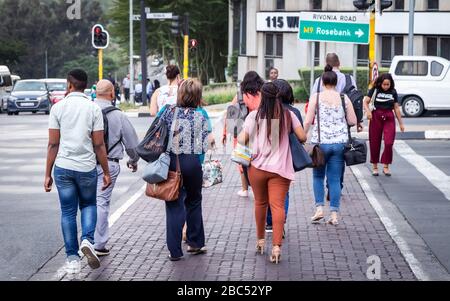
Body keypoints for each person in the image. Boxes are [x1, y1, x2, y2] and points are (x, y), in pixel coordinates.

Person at [44, 69, 112, 274]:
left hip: (63, 168)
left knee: (67, 212)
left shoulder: (58, 108)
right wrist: (106, 172)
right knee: (89, 204)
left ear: (69, 85)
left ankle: (72, 259)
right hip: (86, 167)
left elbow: (53, 144)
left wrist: (47, 173)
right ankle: (88, 240)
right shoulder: (93, 109)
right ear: (86, 86)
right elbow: (99, 145)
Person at [238, 82, 306, 264]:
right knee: (278, 207)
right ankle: (276, 247)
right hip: (280, 169)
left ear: (262, 96)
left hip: (257, 167)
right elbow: (303, 137)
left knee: (260, 203)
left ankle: (260, 241)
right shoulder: (288, 115)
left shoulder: (254, 116)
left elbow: (242, 139)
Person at [158, 78, 214, 261]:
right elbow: (205, 144)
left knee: (174, 205)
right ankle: (195, 243)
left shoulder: (168, 111)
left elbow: (157, 133)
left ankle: (174, 251)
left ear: (180, 94)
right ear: (198, 95)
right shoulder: (200, 115)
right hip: (192, 163)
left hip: (172, 162)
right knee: (194, 201)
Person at [304, 65, 357, 226]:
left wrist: (302, 136)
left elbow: (308, 121)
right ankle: (334, 215)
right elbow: (353, 121)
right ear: (336, 82)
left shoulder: (316, 97)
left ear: (322, 82)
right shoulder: (344, 98)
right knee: (334, 179)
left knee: (318, 177)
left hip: (320, 144)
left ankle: (319, 209)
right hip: (339, 143)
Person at [93, 80, 140, 256]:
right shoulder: (119, 116)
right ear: (112, 93)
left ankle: (86, 239)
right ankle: (99, 244)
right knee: (102, 202)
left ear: (95, 92)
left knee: (86, 203)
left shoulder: (87, 110)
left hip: (86, 163)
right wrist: (133, 160)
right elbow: (132, 143)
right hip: (110, 163)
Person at [311, 53, 363, 201]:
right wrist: (358, 122)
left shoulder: (319, 80)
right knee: (340, 156)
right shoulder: (349, 78)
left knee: (322, 158)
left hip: (323, 128)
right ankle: (336, 186)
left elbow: (313, 103)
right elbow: (355, 101)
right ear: (339, 62)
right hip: (343, 124)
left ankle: (327, 190)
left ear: (325, 63)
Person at [265, 79, 304, 236]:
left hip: (271, 157)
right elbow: (301, 136)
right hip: (288, 159)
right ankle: (279, 223)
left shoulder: (271, 111)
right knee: (283, 192)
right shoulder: (294, 112)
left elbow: (272, 139)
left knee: (267, 190)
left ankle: (270, 222)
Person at [222, 71, 264, 198]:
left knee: (243, 159)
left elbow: (230, 112)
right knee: (258, 159)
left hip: (242, 131)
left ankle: (245, 189)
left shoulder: (240, 95)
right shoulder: (263, 94)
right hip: (260, 131)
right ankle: (259, 189)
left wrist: (225, 132)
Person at [364, 73, 405, 176]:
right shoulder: (375, 90)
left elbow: (396, 108)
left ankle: (386, 166)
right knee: (374, 142)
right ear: (380, 83)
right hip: (376, 116)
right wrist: (368, 111)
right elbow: (365, 102)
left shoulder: (393, 92)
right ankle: (375, 166)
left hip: (389, 117)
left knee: (389, 142)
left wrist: (401, 123)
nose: (386, 86)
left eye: (388, 84)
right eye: (384, 84)